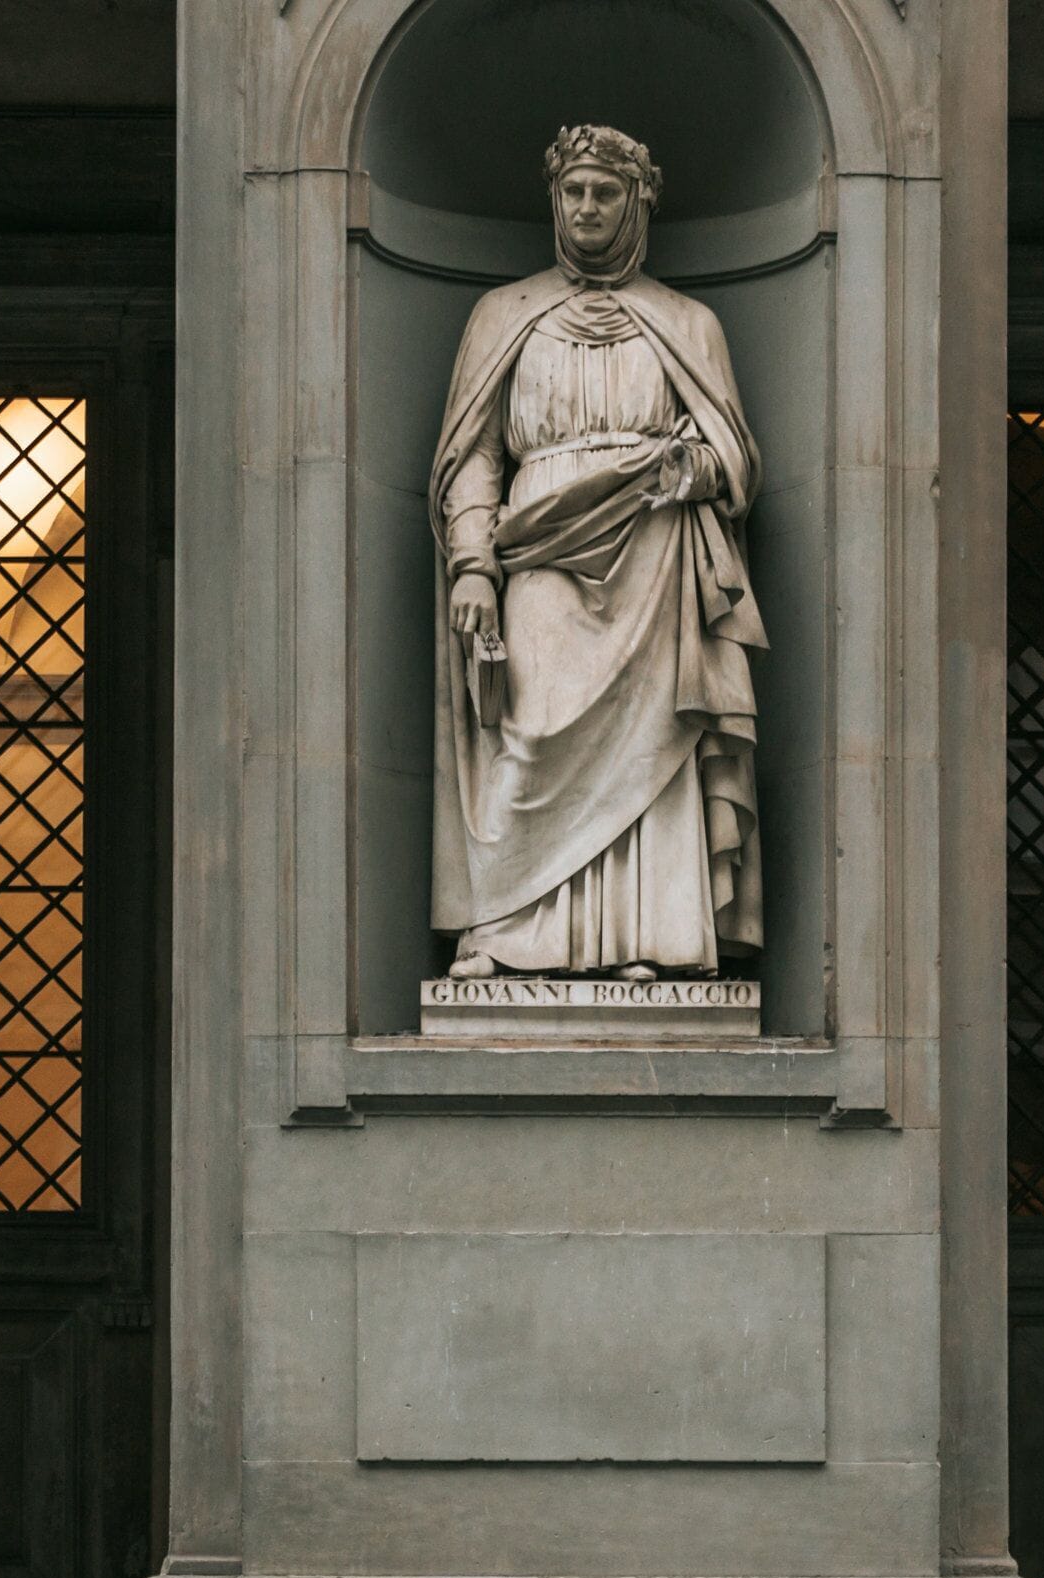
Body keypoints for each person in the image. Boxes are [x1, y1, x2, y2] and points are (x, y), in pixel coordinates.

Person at [430, 122, 767, 983]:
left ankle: (643, 938)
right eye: (573, 192)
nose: (586, 207)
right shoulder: (503, 314)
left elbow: (734, 457)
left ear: (637, 203)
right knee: (530, 732)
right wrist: (473, 563)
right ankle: (505, 930)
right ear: (555, 200)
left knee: (654, 744)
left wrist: (684, 467)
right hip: (538, 549)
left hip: (653, 558)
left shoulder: (689, 324)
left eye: (604, 193)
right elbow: (473, 457)